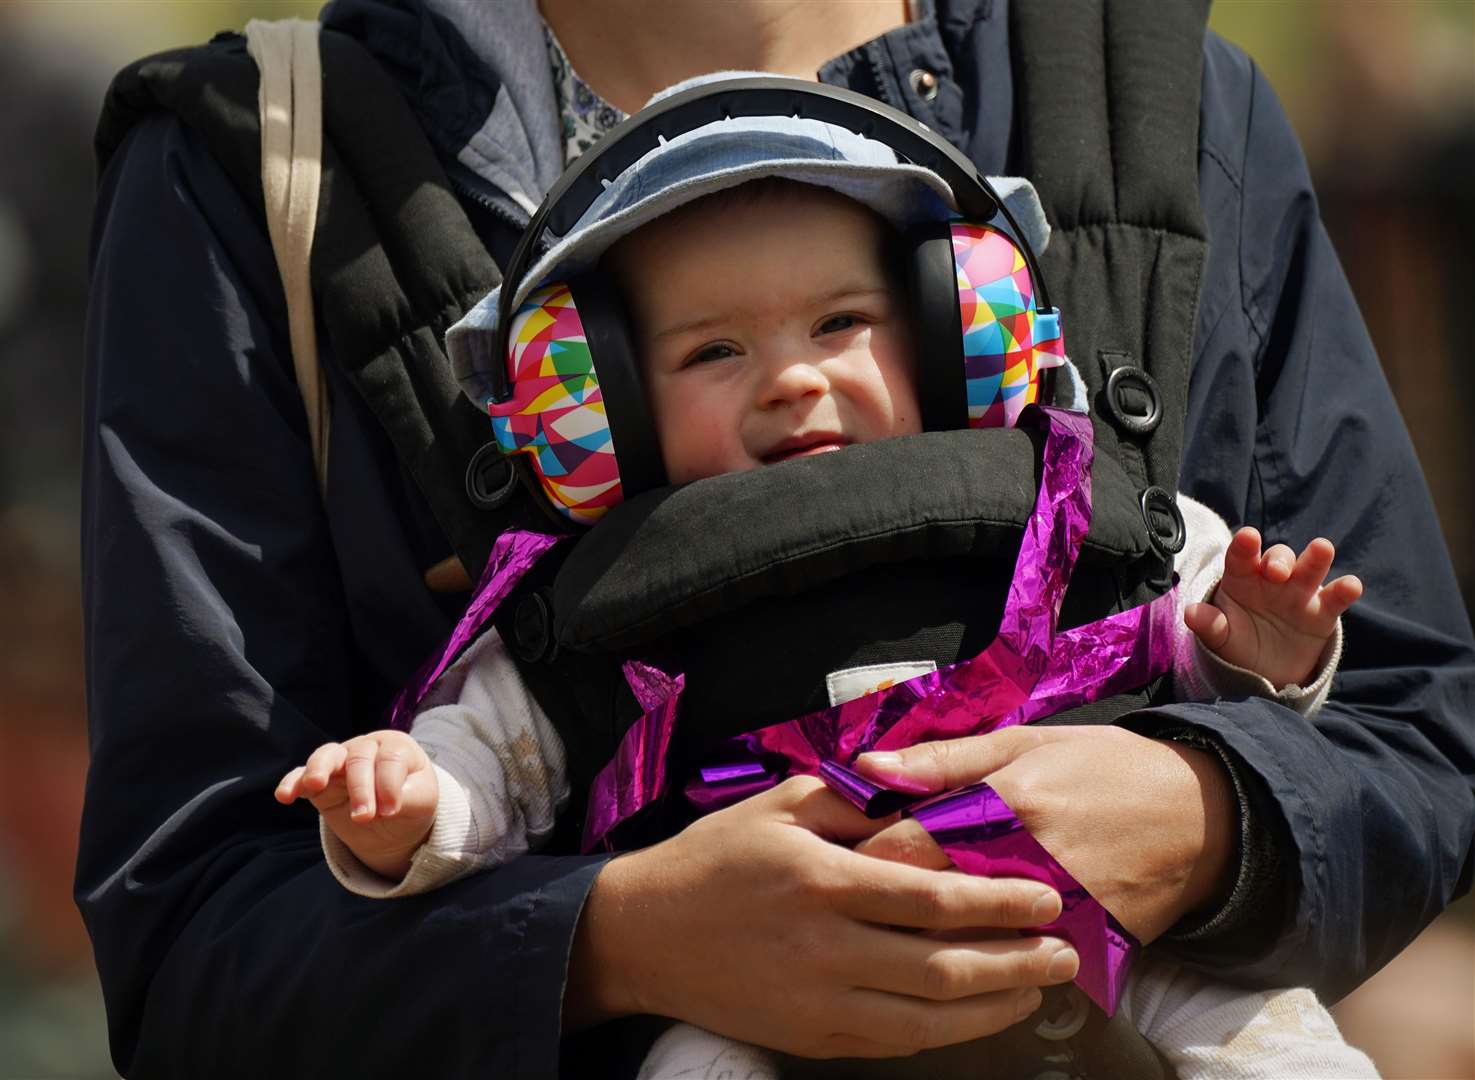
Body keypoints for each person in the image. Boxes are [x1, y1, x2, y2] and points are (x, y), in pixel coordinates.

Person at [79, 1, 1475, 1076]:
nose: (793, 384)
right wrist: (612, 945)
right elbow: (197, 942)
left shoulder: (1161, 104)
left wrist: (1198, 818)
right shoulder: (252, 170)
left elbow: (1407, 735)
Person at [275, 135, 1375, 1078]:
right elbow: (497, 755)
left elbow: (1169, 631)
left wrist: (1256, 651)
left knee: (1267, 1036)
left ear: (950, 327)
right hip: (748, 990)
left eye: (839, 323)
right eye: (713, 349)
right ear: (606, 402)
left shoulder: (1048, 498)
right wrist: (413, 805)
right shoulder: (608, 597)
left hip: (1090, 921)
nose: (790, 380)